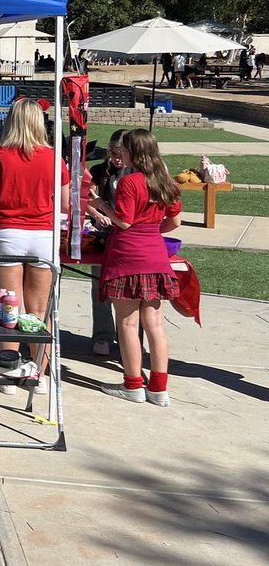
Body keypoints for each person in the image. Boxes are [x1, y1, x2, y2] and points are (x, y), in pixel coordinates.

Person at [0, 98, 70, 393]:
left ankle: (9, 370)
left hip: (6, 233)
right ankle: (39, 374)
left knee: (7, 307)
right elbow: (65, 205)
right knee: (39, 310)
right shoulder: (55, 158)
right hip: (43, 235)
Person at [90, 129, 181, 406]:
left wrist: (100, 205)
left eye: (124, 149)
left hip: (127, 256)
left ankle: (133, 384)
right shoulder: (165, 181)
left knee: (128, 323)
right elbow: (175, 222)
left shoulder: (130, 182)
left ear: (135, 152)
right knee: (155, 324)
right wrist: (152, 231)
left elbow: (125, 222)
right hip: (156, 256)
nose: (120, 154)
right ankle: (159, 388)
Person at [85, 130, 128, 357]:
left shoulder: (136, 174)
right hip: (103, 234)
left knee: (129, 291)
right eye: (112, 151)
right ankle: (102, 335)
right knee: (99, 286)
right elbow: (86, 199)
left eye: (120, 152)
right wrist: (98, 212)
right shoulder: (99, 171)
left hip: (127, 238)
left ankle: (128, 338)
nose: (116, 156)